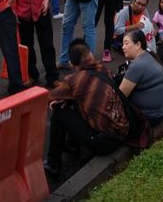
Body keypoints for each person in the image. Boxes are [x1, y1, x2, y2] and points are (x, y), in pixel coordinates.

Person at [44, 39, 129, 178]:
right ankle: (72, 145)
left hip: (103, 143)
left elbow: (50, 98)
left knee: (60, 111)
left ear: (72, 63)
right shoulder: (104, 69)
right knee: (74, 101)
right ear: (90, 55)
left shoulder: (73, 80)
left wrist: (61, 100)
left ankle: (53, 164)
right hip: (121, 133)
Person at [119, 30, 163, 126]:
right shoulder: (148, 56)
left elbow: (120, 96)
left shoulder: (137, 65)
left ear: (138, 45)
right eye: (123, 44)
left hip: (150, 117)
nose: (123, 47)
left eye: (126, 43)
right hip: (160, 113)